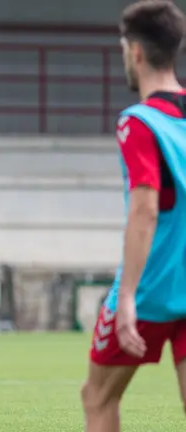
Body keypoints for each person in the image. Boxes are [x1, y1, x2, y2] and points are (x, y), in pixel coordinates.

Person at [81, 1, 186, 431]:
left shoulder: (139, 123)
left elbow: (145, 208)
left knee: (98, 397)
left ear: (136, 52)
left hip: (152, 289)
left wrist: (126, 296)